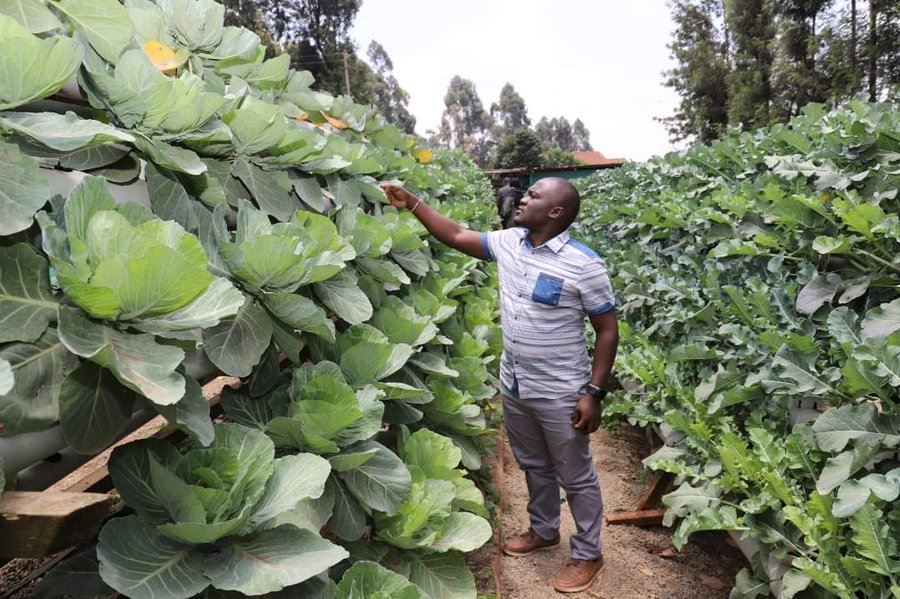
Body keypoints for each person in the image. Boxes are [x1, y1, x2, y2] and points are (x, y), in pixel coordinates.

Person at [381, 177, 618, 594]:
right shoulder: (510, 242)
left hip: (561, 388)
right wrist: (412, 202)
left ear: (556, 212)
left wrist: (593, 392)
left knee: (575, 475)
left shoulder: (584, 264)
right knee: (534, 464)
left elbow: (607, 330)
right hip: (515, 383)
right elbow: (455, 234)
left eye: (534, 195)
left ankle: (587, 554)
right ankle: (544, 531)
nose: (523, 198)